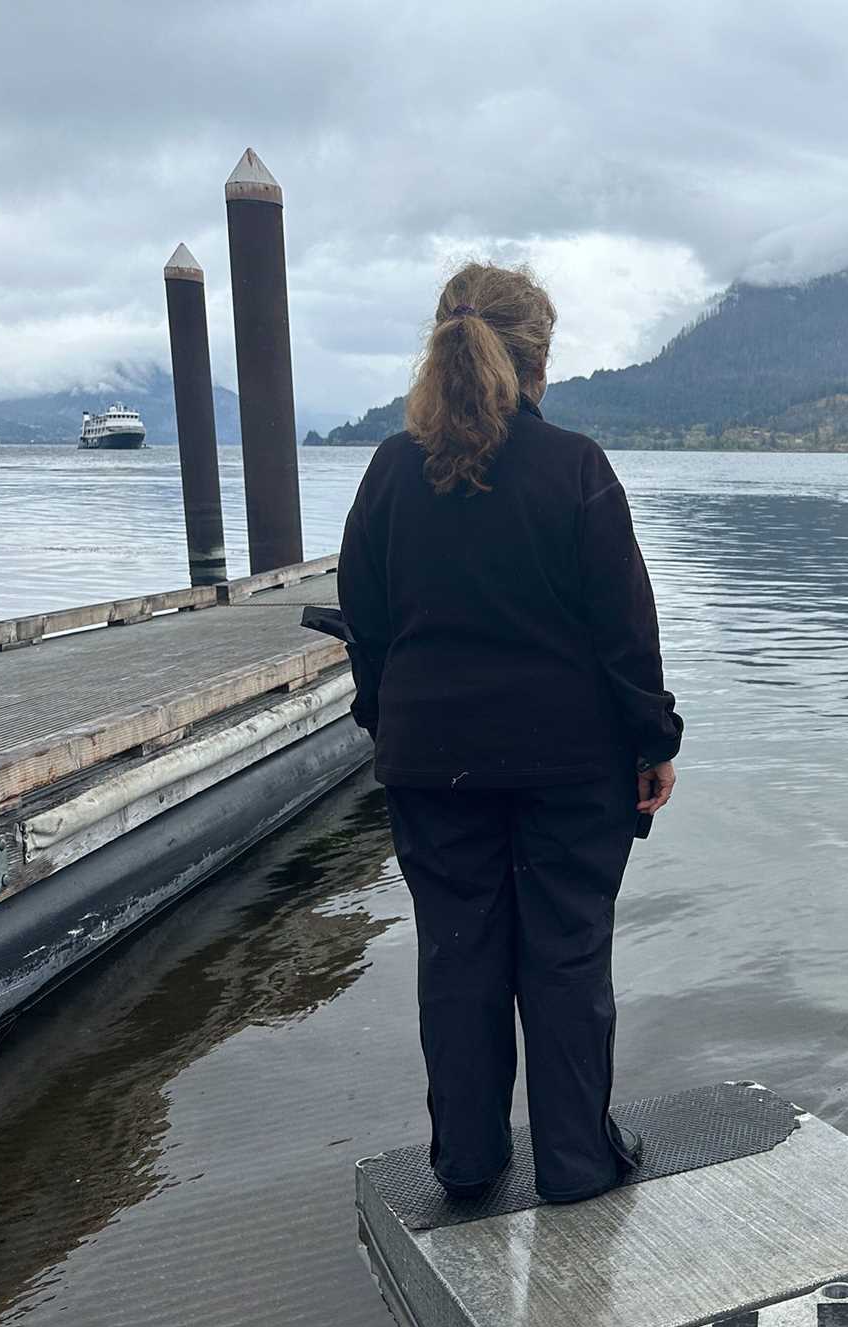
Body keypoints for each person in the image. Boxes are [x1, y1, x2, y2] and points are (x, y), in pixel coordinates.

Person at [339, 262, 683, 1206]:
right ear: (537, 361)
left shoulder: (388, 471)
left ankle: (467, 1161)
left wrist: (385, 720)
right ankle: (576, 1162)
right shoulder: (575, 467)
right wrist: (654, 741)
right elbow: (625, 630)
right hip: (572, 767)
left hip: (430, 763)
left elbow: (365, 620)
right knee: (568, 956)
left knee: (457, 955)